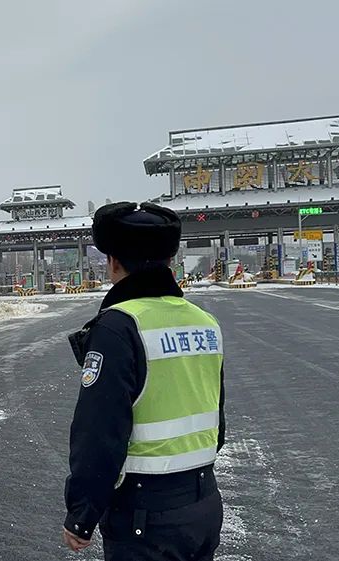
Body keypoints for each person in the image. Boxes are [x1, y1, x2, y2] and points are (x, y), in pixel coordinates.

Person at [63, 201, 226, 560]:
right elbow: (218, 424)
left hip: (145, 518)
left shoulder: (119, 326)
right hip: (204, 506)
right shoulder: (205, 322)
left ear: (113, 262)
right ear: (169, 260)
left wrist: (82, 514)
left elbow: (100, 433)